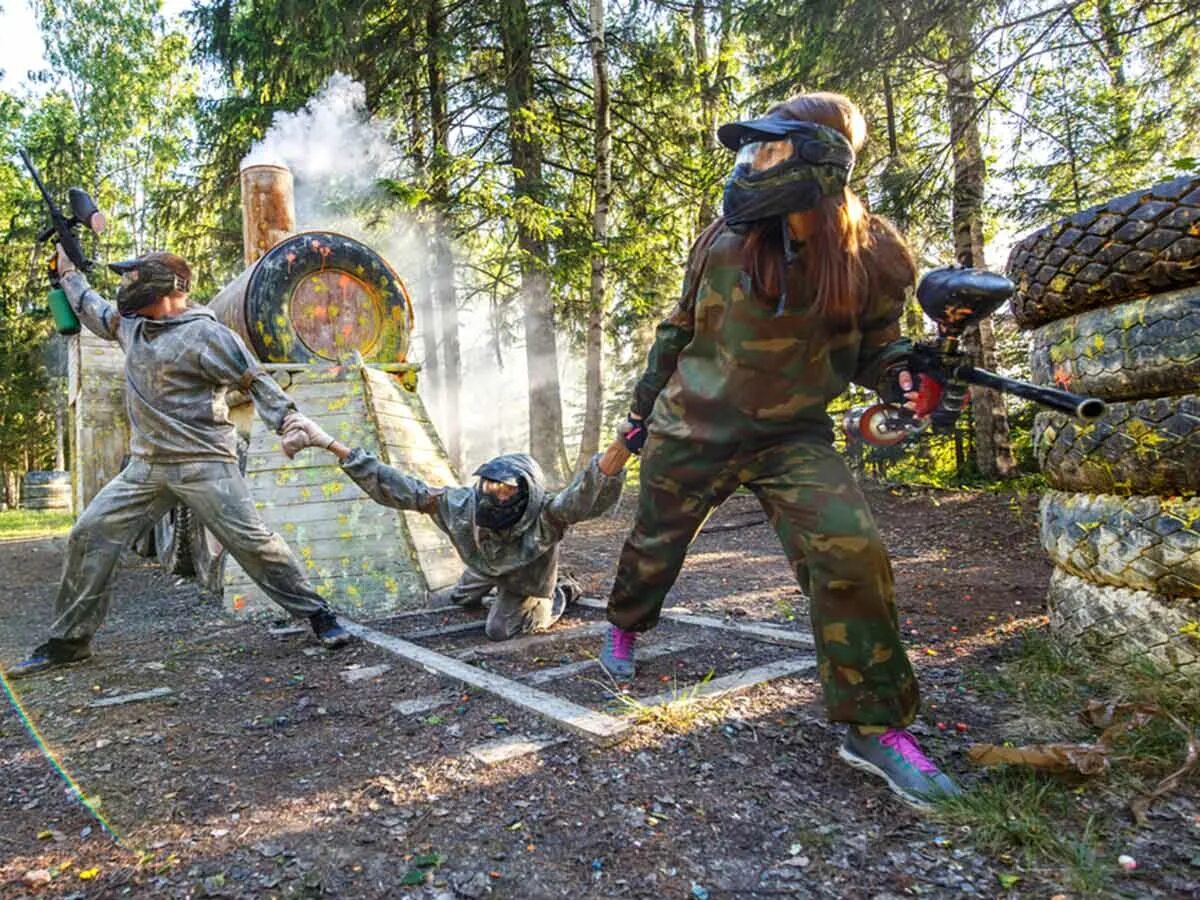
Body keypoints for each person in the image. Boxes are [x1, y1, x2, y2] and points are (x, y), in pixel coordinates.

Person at [599, 92, 960, 809]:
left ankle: (873, 726)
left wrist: (903, 374)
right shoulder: (724, 238)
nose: (754, 164)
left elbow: (876, 346)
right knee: (652, 546)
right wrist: (638, 419)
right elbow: (675, 332)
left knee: (850, 551)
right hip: (691, 427)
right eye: (751, 151)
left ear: (822, 160)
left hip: (792, 435)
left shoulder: (876, 252)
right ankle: (624, 627)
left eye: (771, 149)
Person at [7, 247, 351, 678]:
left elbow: (255, 380)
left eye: (135, 280)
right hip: (145, 467)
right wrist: (68, 273)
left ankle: (319, 615)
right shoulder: (131, 325)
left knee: (254, 543)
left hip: (204, 463)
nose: (126, 289)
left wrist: (289, 421)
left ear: (169, 287)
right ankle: (69, 641)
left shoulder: (208, 336)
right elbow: (90, 308)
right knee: (89, 534)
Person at [279, 412, 630, 641]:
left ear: (525, 493)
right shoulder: (460, 505)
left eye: (506, 489)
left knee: (499, 629)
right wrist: (327, 442)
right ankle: (494, 586)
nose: (495, 494)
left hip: (526, 578)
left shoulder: (547, 514)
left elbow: (588, 491)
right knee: (455, 600)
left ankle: (561, 592)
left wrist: (623, 445)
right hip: (485, 568)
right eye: (491, 485)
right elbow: (401, 488)